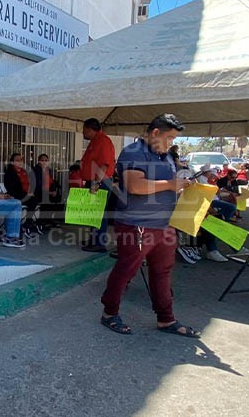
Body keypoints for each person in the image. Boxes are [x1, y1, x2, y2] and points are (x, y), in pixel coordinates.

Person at [99, 113, 201, 338]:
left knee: (162, 272)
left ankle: (166, 319)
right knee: (127, 270)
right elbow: (135, 186)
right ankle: (109, 312)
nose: (171, 143)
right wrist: (169, 184)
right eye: (170, 138)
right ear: (155, 133)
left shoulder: (165, 156)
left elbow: (165, 187)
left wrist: (182, 188)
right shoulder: (134, 152)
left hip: (164, 225)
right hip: (137, 225)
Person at [80, 118, 116, 252]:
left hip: (100, 182)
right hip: (95, 181)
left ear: (90, 129)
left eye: (84, 130)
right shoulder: (95, 141)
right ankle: (94, 239)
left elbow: (104, 165)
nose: (83, 133)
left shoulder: (103, 141)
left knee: (99, 212)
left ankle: (99, 243)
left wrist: (95, 184)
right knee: (93, 212)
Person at [3, 152, 39, 236]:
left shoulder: (24, 171)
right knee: (32, 201)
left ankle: (31, 224)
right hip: (16, 195)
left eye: (21, 160)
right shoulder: (10, 173)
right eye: (17, 160)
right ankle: (27, 224)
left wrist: (31, 192)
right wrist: (27, 194)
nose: (20, 162)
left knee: (37, 198)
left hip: (27, 194)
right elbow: (12, 188)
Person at [32, 153, 63, 230]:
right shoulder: (36, 170)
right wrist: (49, 193)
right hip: (38, 193)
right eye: (42, 160)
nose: (44, 162)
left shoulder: (47, 170)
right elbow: (37, 186)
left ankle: (49, 219)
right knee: (47, 200)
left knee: (58, 198)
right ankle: (42, 221)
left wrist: (54, 190)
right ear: (39, 161)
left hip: (47, 192)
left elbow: (51, 182)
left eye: (46, 160)